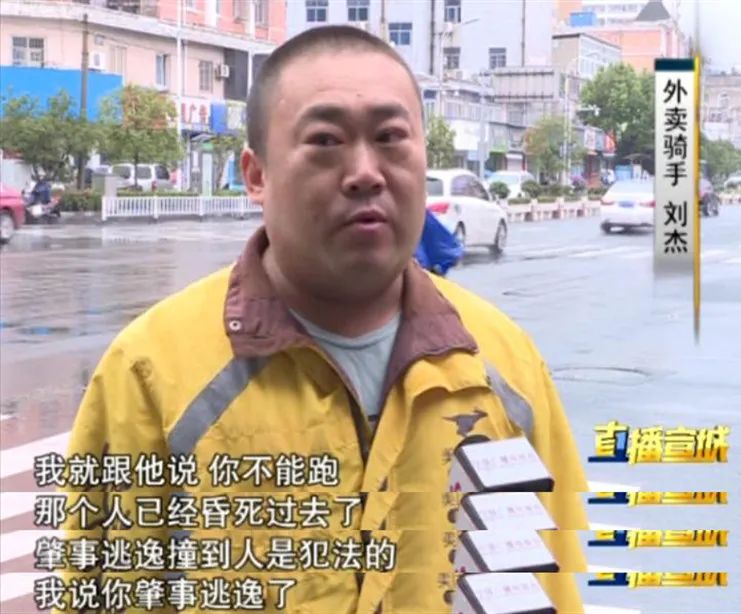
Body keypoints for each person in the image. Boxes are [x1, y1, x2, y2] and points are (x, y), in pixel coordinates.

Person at [62, 25, 589, 613]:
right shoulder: (150, 373)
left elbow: (544, 586)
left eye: (390, 137)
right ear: (256, 175)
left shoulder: (505, 365)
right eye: (325, 140)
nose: (365, 171)